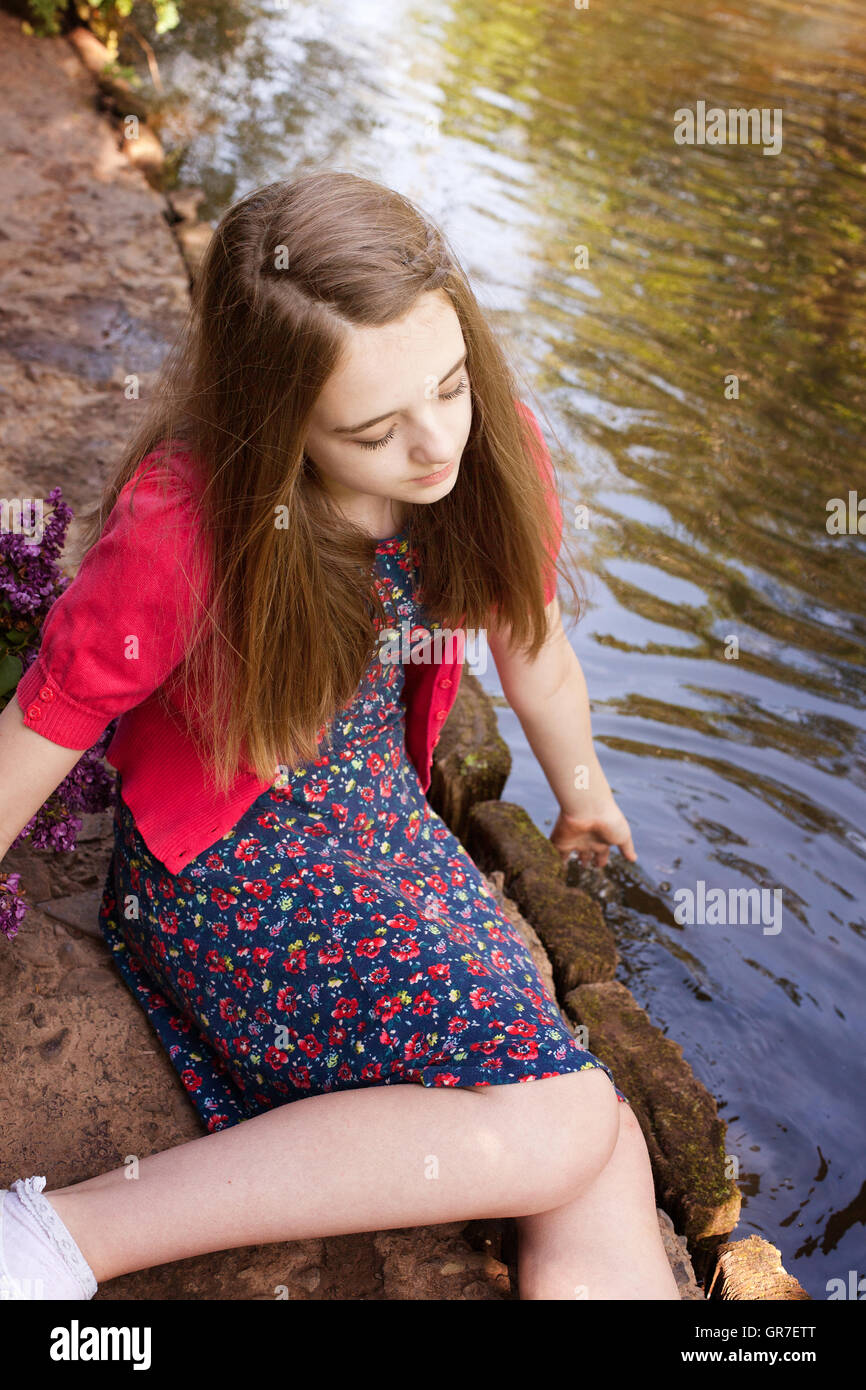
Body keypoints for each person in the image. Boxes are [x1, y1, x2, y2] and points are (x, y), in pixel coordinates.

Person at [0, 170, 679, 1300]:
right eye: (373, 429)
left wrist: (582, 783)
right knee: (569, 1120)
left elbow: (534, 644)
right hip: (221, 868)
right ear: (277, 424)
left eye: (451, 384)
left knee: (591, 1134)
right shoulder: (192, 529)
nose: (433, 446)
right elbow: (40, 726)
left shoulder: (486, 453)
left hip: (373, 825)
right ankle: (57, 1234)